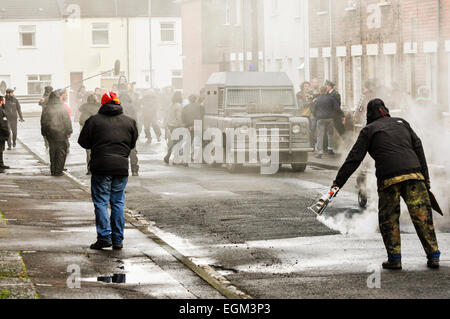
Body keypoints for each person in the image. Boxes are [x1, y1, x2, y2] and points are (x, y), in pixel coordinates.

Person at [332, 98, 440, 270]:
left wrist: (337, 184)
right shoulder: (402, 123)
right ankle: (433, 256)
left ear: (369, 114)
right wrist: (426, 178)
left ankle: (394, 259)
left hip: (389, 178)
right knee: (422, 216)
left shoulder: (369, 130)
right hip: (415, 175)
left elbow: (354, 159)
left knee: (389, 219)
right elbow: (418, 147)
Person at [78, 92, 138, 250]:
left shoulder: (94, 121)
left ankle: (104, 237)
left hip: (101, 166)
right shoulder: (129, 121)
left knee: (101, 202)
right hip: (121, 167)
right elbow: (132, 144)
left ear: (102, 104)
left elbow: (83, 142)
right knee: (118, 202)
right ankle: (118, 240)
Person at [40, 91, 73, 177]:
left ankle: (53, 170)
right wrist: (69, 131)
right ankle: (58, 170)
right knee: (61, 152)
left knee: (53, 151)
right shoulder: (62, 107)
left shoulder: (47, 108)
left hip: (50, 134)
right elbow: (67, 120)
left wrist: (44, 133)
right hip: (61, 134)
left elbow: (43, 121)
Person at [313, 86, 343, 158]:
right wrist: (341, 115)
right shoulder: (331, 98)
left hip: (320, 119)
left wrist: (316, 116)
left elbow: (313, 110)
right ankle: (330, 149)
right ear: (326, 91)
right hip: (329, 118)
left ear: (320, 91)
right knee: (330, 134)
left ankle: (320, 152)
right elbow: (337, 108)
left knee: (320, 135)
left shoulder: (317, 100)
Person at [79, 93, 101, 175]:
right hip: (98, 133)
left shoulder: (84, 110)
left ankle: (89, 169)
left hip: (87, 134)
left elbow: (81, 122)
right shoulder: (100, 109)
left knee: (88, 151)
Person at [120, 92, 140, 176]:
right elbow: (135, 120)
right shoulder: (132, 107)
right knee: (132, 150)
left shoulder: (117, 106)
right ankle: (134, 170)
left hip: (120, 131)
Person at [164, 91, 183, 164]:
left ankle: (169, 156)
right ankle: (173, 157)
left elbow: (167, 116)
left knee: (175, 142)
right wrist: (182, 125)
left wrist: (167, 124)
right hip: (177, 126)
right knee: (179, 142)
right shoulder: (178, 105)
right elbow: (179, 117)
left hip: (171, 126)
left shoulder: (171, 105)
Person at [297, 82, 316, 149]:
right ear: (302, 87)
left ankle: (312, 146)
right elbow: (301, 106)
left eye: (308, 86)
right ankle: (301, 145)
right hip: (302, 115)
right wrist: (311, 102)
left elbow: (317, 96)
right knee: (302, 131)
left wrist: (312, 97)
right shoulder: (299, 94)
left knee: (311, 131)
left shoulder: (311, 94)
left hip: (310, 115)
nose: (307, 87)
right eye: (305, 86)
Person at [39, 86, 54, 151]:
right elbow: (40, 103)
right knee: (49, 130)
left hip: (45, 116)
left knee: (45, 130)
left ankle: (47, 143)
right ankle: (48, 143)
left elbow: (39, 103)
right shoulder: (48, 97)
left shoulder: (44, 97)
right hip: (49, 116)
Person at [0, 96, 11, 172]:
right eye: (3, 100)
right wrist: (7, 132)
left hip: (1, 133)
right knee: (0, 150)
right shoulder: (0, 110)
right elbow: (2, 123)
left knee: (1, 150)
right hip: (1, 133)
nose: (5, 101)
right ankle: (0, 166)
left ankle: (1, 164)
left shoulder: (2, 108)